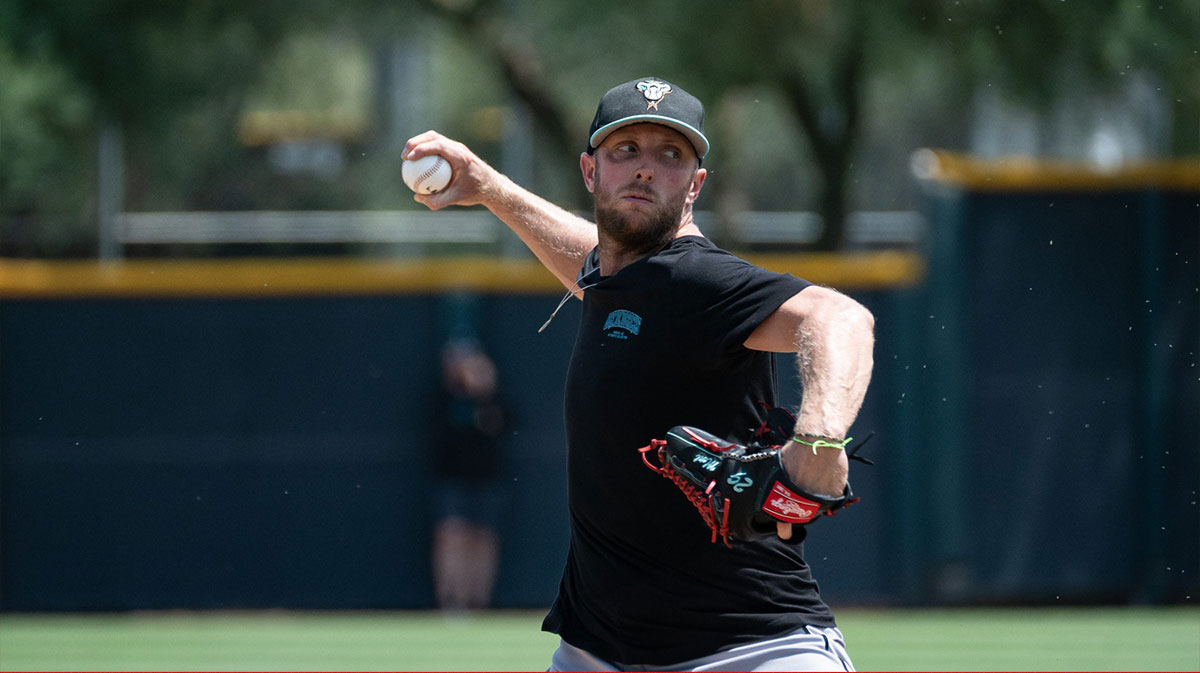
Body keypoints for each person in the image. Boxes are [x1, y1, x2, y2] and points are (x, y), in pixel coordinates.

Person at [404, 77, 874, 671]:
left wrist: (819, 436)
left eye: (670, 155)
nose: (645, 169)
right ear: (590, 172)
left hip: (746, 647)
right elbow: (589, 258)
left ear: (696, 185)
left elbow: (841, 316)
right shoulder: (618, 275)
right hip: (597, 652)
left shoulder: (699, 280)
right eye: (625, 150)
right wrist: (488, 185)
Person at [429, 338, 508, 611]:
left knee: (484, 538)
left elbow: (500, 427)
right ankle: (451, 601)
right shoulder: (442, 399)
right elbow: (439, 440)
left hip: (487, 478)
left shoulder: (491, 398)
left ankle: (479, 602)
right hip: (452, 478)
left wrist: (484, 393)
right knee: (452, 535)